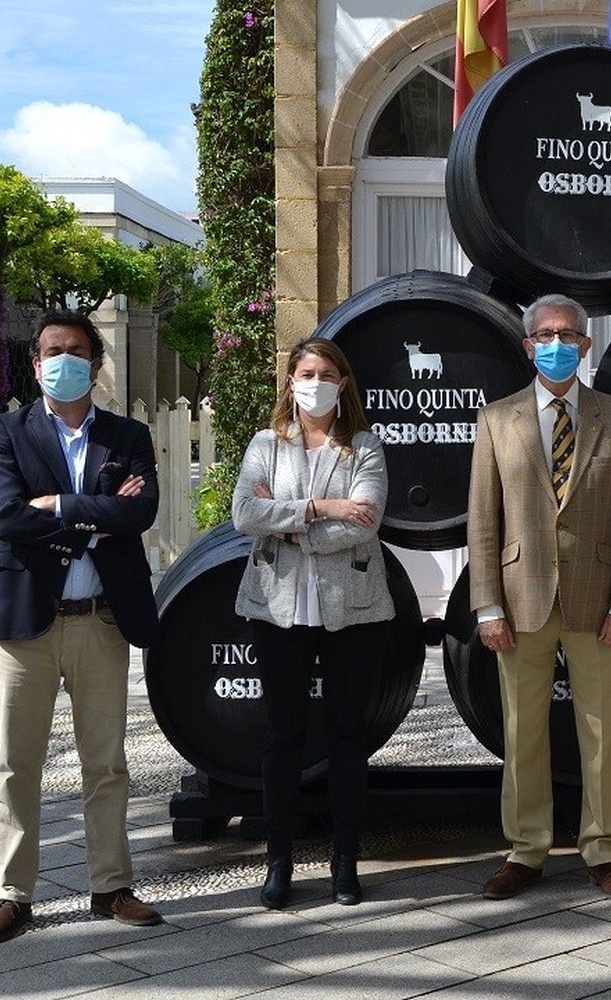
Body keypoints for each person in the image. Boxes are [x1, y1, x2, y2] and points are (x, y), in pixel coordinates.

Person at [0, 311, 164, 944]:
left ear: (96, 361)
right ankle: (13, 894)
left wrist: (56, 505)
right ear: (35, 363)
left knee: (106, 763)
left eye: (76, 349)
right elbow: (5, 516)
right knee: (15, 764)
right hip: (27, 622)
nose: (64, 359)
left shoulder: (127, 434)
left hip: (101, 621)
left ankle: (110, 886)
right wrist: (93, 516)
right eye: (52, 350)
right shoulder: (6, 431)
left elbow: (141, 510)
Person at [467, 293, 611, 901]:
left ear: (587, 345)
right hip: (519, 602)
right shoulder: (496, 420)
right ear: (527, 345)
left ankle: (605, 850)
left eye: (569, 334)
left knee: (602, 730)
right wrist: (486, 605)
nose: (557, 343)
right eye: (546, 334)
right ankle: (525, 850)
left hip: (598, 600)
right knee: (523, 733)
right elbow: (483, 521)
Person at [232, 337, 394, 910]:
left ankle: (345, 859)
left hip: (349, 607)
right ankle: (279, 862)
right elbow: (244, 514)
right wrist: (322, 509)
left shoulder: (365, 446)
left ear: (344, 382)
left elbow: (366, 521)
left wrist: (285, 521)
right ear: (291, 379)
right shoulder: (265, 444)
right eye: (307, 371)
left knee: (349, 736)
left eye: (327, 372)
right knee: (282, 737)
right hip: (278, 607)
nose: (316, 380)